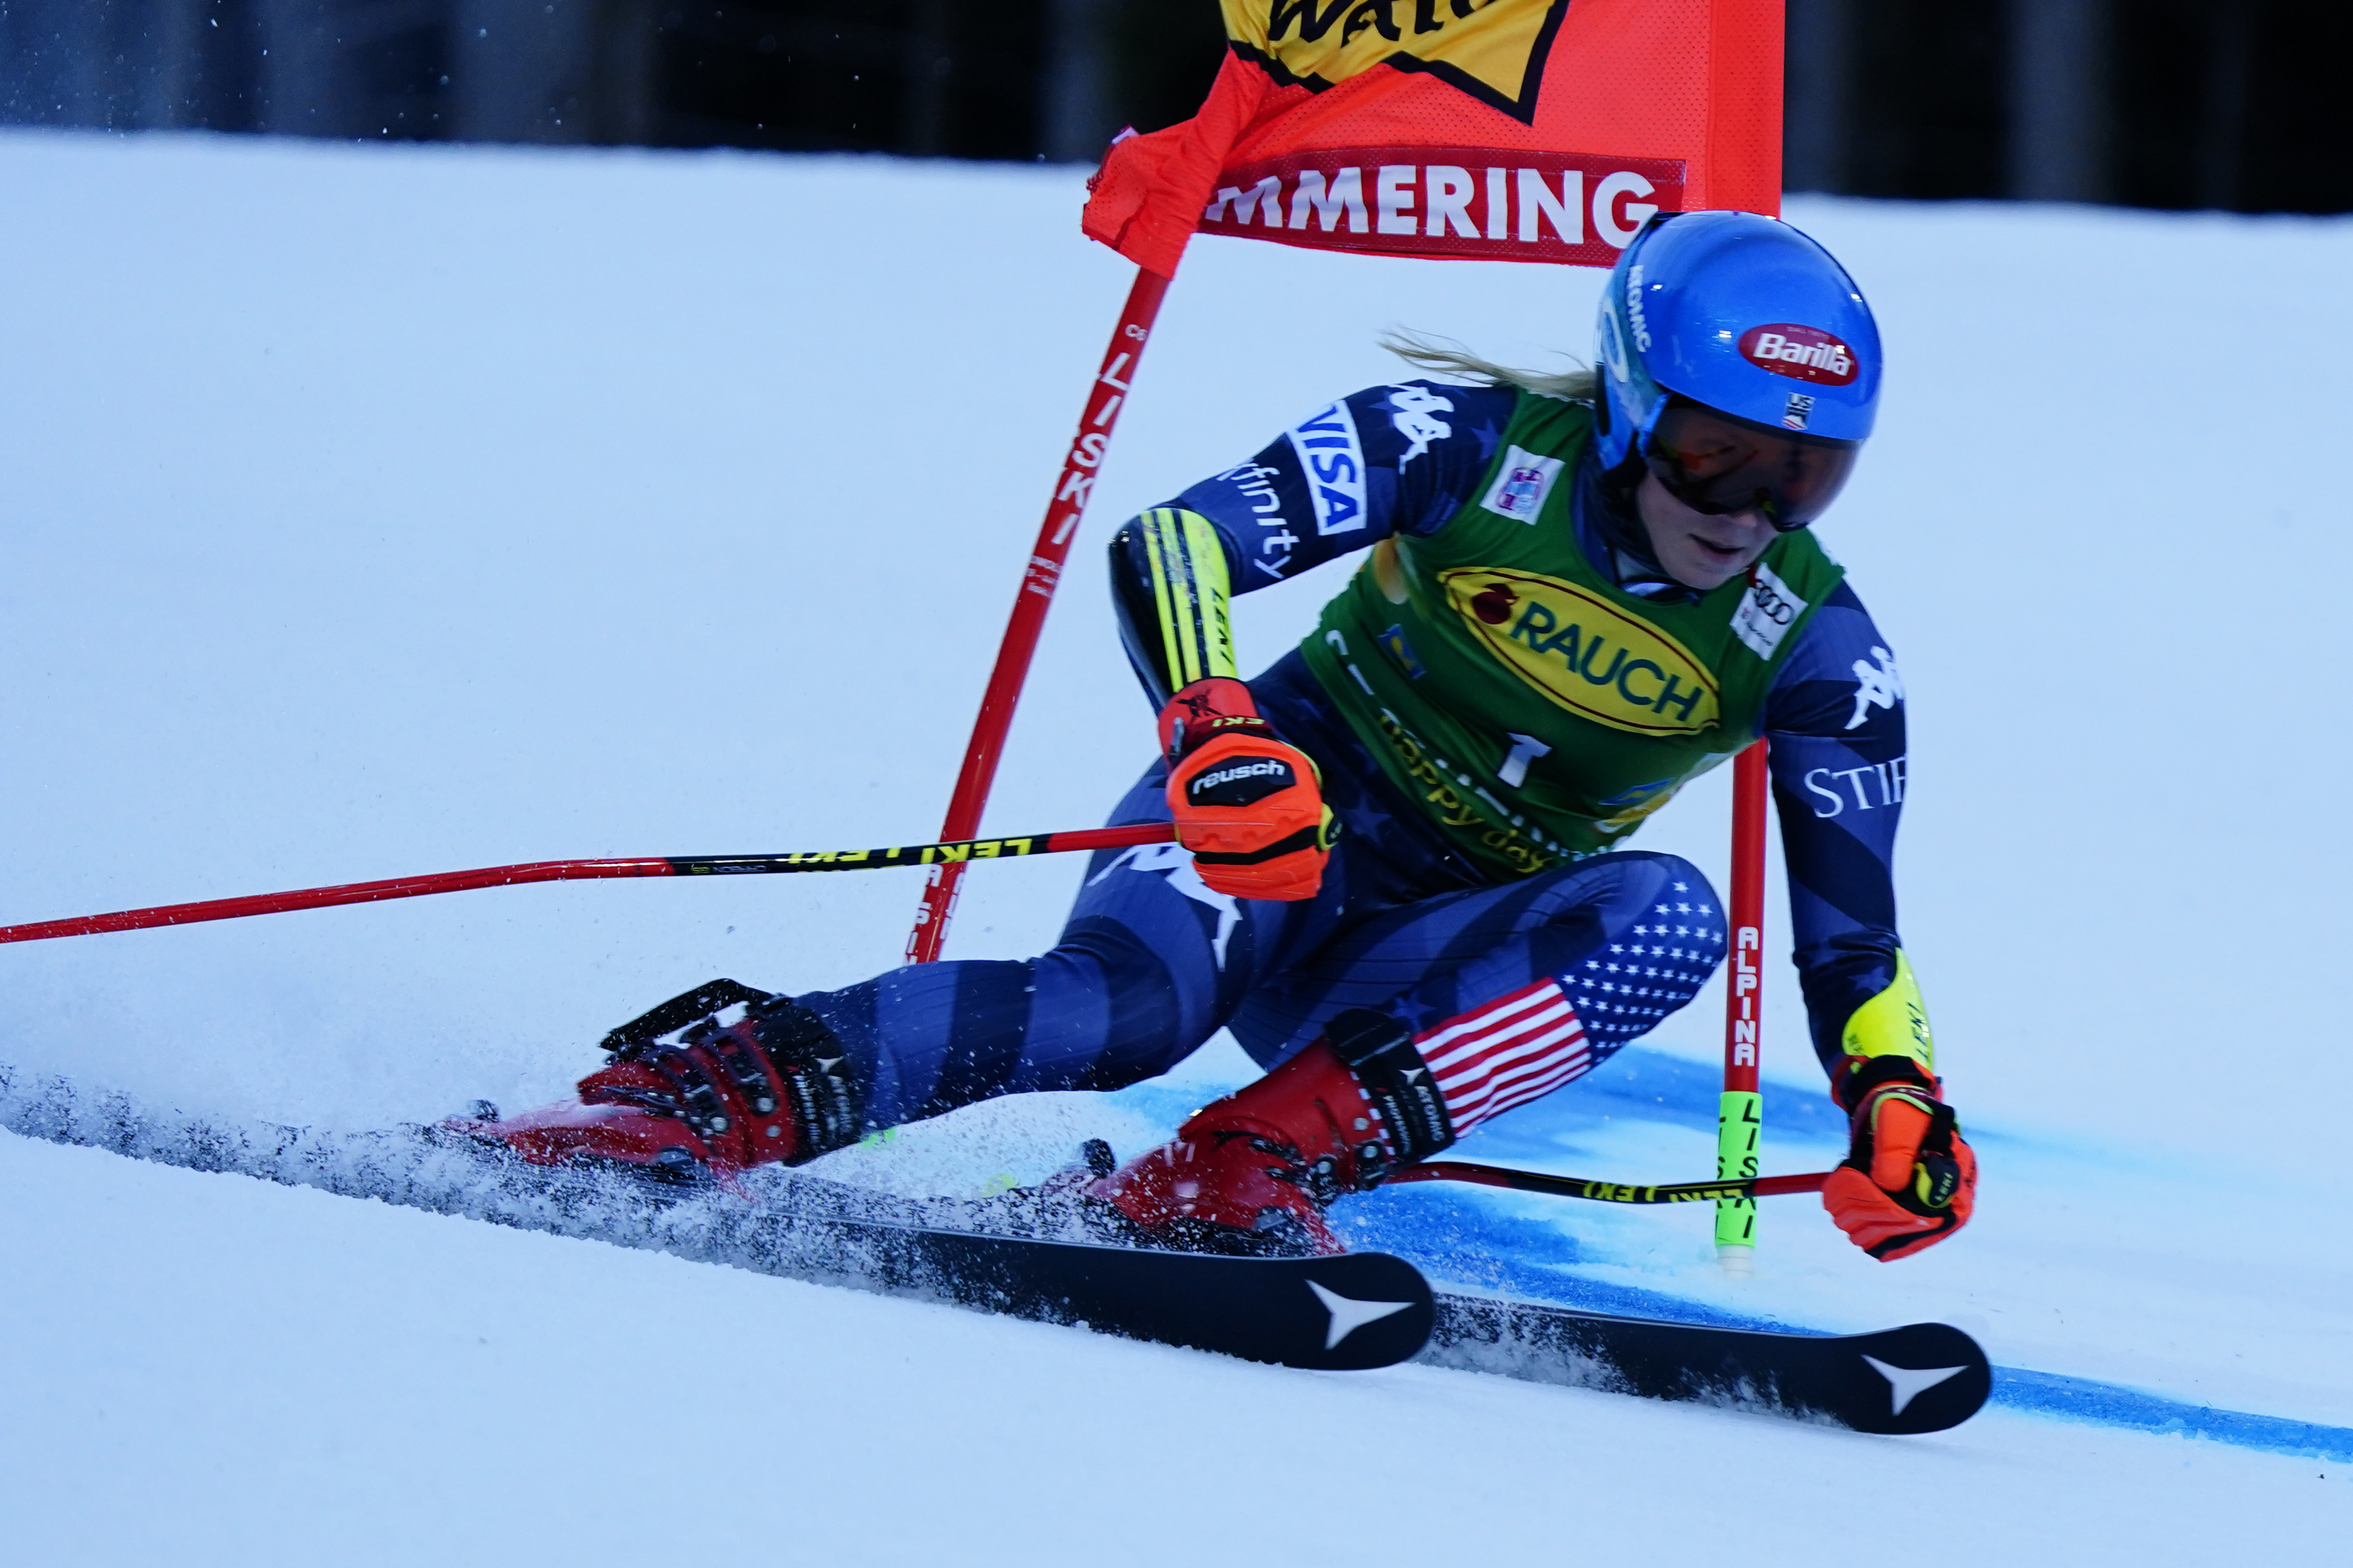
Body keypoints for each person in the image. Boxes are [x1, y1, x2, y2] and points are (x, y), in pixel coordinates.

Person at [468, 211, 1976, 1264]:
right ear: (1635, 406)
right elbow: (1175, 545)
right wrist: (1216, 735)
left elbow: (1855, 946)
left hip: (1418, 963)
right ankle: (699, 1100)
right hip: (1273, 821)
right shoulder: (1451, 444)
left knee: (1669, 918)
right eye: (1716, 454)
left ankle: (1233, 1173)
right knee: (1117, 1017)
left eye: (1806, 478)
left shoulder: (1826, 654)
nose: (1747, 514)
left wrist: (1892, 1096)